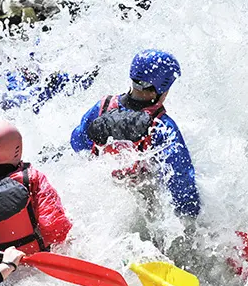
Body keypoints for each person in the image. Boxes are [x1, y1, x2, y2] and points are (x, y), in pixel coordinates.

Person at [70, 49, 201, 220]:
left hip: (101, 198)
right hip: (143, 203)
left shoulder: (102, 107)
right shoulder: (162, 126)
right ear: (162, 87)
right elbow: (181, 180)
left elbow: (77, 142)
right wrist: (194, 216)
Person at [0, 121, 72, 267]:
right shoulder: (33, 178)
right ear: (16, 148)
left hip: (2, 264)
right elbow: (54, 227)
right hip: (38, 256)